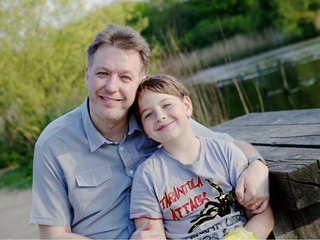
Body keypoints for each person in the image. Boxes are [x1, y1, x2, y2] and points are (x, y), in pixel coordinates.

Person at [30, 24, 269, 239]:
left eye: (125, 77)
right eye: (102, 73)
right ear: (87, 74)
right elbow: (54, 236)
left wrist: (258, 166)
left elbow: (226, 144)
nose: (112, 87)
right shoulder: (54, 144)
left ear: (140, 82)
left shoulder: (156, 122)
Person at [130, 74, 274, 239]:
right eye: (148, 114)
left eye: (167, 105)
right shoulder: (148, 175)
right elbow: (150, 232)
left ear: (187, 106)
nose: (160, 116)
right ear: (144, 129)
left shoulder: (224, 152)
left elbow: (262, 215)